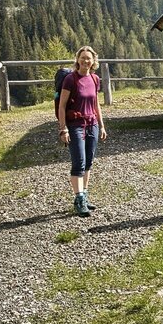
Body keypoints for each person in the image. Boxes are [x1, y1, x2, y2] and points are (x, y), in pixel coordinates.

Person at [58, 45, 107, 216]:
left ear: (94, 61)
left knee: (88, 162)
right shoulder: (70, 79)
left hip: (92, 124)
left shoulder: (94, 79)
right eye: (83, 57)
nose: (86, 61)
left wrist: (101, 125)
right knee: (78, 162)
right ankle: (79, 199)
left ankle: (84, 196)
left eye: (89, 58)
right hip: (75, 125)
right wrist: (63, 129)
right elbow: (62, 106)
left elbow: (96, 104)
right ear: (77, 60)